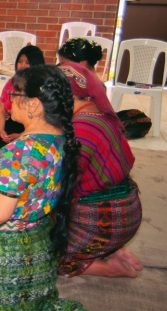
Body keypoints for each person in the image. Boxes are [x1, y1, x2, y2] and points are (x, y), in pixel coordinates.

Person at [0, 64, 121, 311]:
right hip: (36, 246)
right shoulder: (62, 142)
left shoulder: (17, 154)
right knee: (37, 302)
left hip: (5, 253)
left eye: (14, 94)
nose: (8, 100)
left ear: (33, 105)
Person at [58, 63, 144, 277]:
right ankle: (113, 249)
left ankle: (109, 267)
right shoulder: (101, 115)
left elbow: (61, 187)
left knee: (44, 260)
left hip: (106, 219)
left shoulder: (82, 128)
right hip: (125, 211)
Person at [0, 45, 45, 159]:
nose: (22, 65)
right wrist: (2, 131)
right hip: (14, 123)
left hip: (35, 127)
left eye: (27, 62)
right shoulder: (12, 83)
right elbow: (1, 111)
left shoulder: (42, 86)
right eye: (20, 61)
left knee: (28, 153)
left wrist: (22, 136)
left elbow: (44, 122)